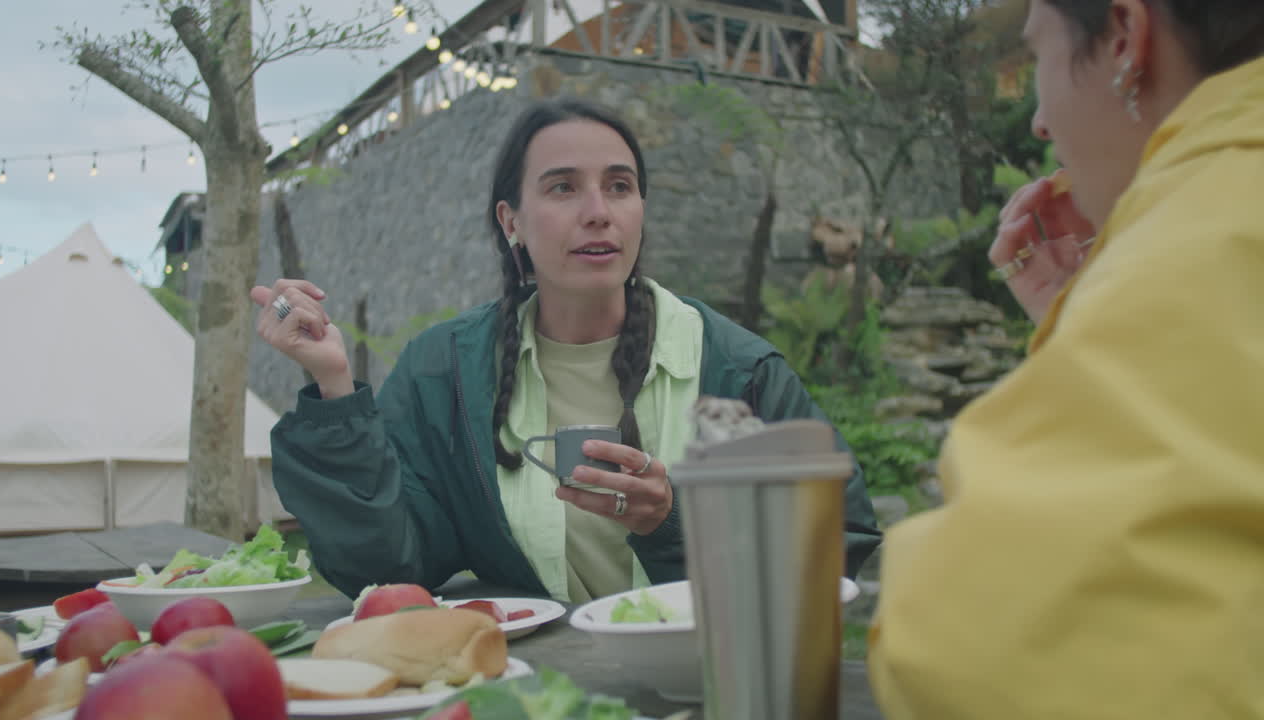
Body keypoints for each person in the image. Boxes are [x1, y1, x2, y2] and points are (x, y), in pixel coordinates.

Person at [251, 98, 881, 604]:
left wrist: (674, 521)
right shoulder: (443, 373)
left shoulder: (737, 371)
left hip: (711, 686)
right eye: (562, 188)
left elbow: (840, 541)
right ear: (511, 221)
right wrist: (333, 385)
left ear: (641, 210)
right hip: (540, 689)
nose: (598, 212)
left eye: (619, 186)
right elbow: (388, 564)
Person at [868, 0, 1264, 717]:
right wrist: (1078, 314)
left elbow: (977, 654)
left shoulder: (1199, 243)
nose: (1041, 124)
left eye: (1038, 57)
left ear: (1123, 38)